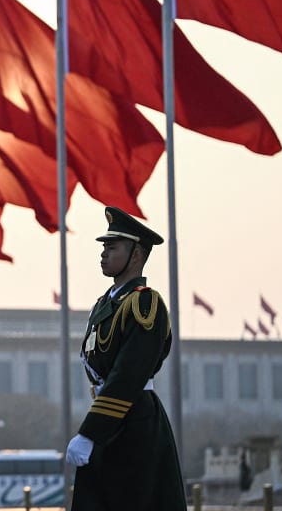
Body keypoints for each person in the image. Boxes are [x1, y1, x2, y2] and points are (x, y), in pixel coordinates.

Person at [65, 206, 185, 510]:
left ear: (135, 255)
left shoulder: (144, 303)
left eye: (112, 247)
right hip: (111, 419)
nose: (103, 253)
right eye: (104, 247)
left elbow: (128, 374)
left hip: (135, 422)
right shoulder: (106, 304)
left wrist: (90, 431)